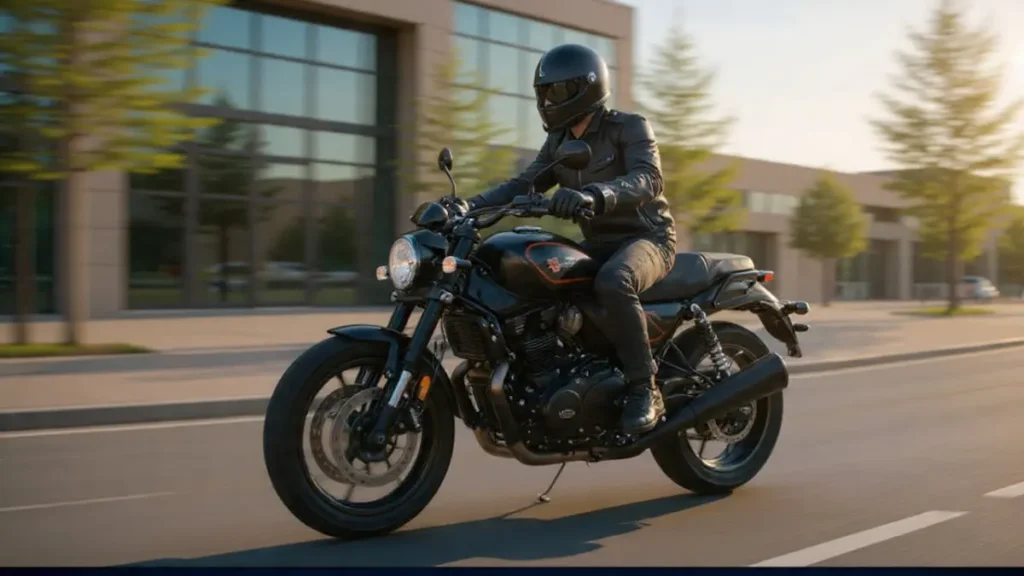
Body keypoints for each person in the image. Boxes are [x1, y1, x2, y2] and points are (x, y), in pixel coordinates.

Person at [467, 43, 677, 435]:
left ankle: (644, 387)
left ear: (585, 88)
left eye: (555, 92)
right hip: (599, 245)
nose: (547, 100)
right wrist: (466, 207)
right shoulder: (559, 143)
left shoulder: (629, 126)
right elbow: (522, 183)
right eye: (543, 93)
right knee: (544, 283)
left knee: (614, 281)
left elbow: (648, 179)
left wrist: (594, 195)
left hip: (647, 238)